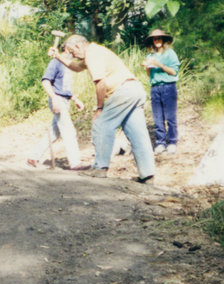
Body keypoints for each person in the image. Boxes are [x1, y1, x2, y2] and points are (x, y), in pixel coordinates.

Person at [48, 34, 155, 182]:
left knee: (101, 125)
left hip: (122, 92)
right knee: (137, 133)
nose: (74, 56)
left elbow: (100, 83)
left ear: (78, 46)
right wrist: (58, 56)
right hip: (135, 90)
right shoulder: (95, 52)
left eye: (73, 53)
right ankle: (147, 175)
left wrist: (99, 108)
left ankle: (100, 168)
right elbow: (76, 67)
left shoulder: (92, 54)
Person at [26, 55, 86, 169]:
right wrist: (54, 98)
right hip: (58, 100)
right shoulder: (56, 62)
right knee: (69, 130)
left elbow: (63, 88)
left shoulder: (68, 65)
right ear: (69, 49)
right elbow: (45, 81)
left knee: (54, 132)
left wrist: (75, 99)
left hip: (64, 100)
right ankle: (75, 163)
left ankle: (33, 158)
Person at [141, 28, 180, 154]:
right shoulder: (150, 56)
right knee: (157, 117)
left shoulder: (170, 54)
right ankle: (160, 142)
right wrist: (146, 67)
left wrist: (160, 65)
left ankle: (172, 141)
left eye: (159, 38)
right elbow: (150, 75)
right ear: (152, 41)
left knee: (170, 117)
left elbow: (174, 72)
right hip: (155, 88)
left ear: (163, 40)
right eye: (155, 39)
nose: (157, 40)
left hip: (168, 86)